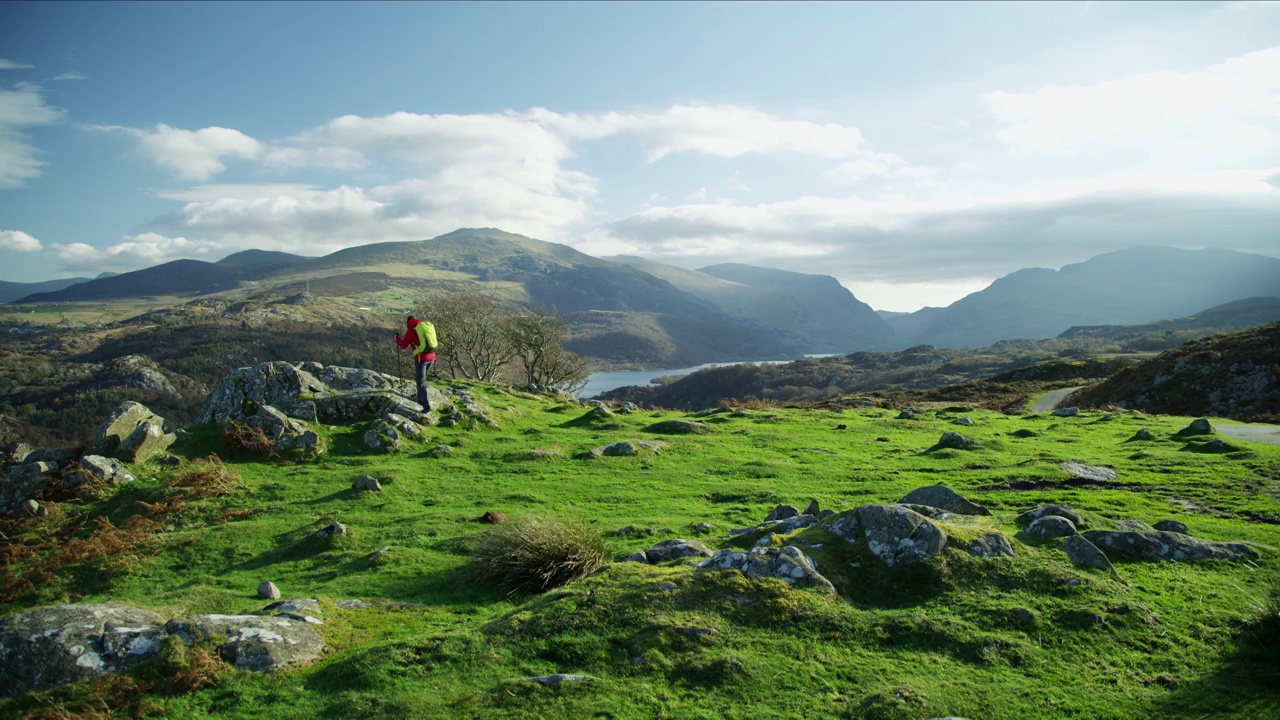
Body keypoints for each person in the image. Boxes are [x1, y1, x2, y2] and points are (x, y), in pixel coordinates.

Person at [396, 315, 437, 411]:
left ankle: (426, 407)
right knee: (420, 379)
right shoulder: (425, 328)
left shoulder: (411, 332)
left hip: (421, 359)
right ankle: (420, 400)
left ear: (408, 323)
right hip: (432, 357)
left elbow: (403, 345)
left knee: (421, 382)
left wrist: (397, 339)